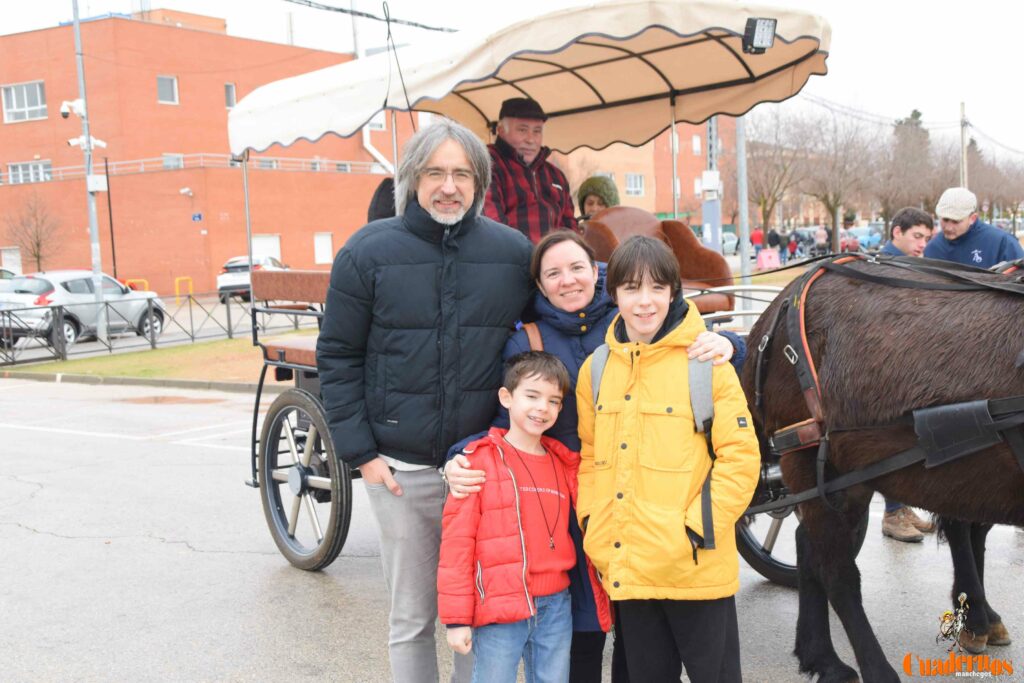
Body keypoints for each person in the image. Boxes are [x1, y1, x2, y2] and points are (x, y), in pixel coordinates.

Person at [443, 230, 743, 683]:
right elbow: (505, 417)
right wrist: (459, 457)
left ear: (597, 277)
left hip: (686, 551)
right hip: (606, 536)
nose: (644, 301)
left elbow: (739, 455)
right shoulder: (581, 361)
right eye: (553, 273)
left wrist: (731, 344)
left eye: (577, 267)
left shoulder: (694, 356)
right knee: (585, 644)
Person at [316, 118, 533, 683]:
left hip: (481, 467)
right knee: (413, 618)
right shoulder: (367, 252)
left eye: (462, 173)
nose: (449, 186)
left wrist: (698, 332)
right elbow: (338, 355)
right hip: (400, 469)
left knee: (479, 611)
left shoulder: (511, 254)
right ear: (411, 178)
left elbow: (570, 308)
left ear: (479, 182)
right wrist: (363, 454)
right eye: (435, 172)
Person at [575, 236, 760, 682]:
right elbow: (591, 457)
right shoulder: (596, 370)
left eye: (657, 288)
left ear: (673, 293)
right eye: (632, 289)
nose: (645, 302)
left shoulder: (706, 361)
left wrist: (700, 528)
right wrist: (592, 523)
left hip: (694, 566)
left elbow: (741, 457)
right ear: (613, 293)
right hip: (630, 567)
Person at [439, 352, 607, 683]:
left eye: (553, 400)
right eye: (531, 396)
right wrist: (456, 619)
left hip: (557, 605)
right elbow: (457, 546)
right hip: (502, 607)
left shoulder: (565, 465)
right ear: (506, 398)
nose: (542, 407)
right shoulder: (478, 462)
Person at [877, 207, 939, 542]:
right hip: (886, 370)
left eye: (927, 239)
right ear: (896, 232)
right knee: (893, 440)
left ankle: (900, 506)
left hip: (905, 365)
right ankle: (891, 514)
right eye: (917, 236)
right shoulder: (882, 267)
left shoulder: (905, 264)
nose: (922, 245)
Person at [484, 97, 577, 242]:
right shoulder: (488, 165)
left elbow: (570, 226)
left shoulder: (556, 175)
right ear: (501, 131)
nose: (531, 139)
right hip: (508, 258)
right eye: (522, 130)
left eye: (537, 131)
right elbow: (492, 226)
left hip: (553, 259)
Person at [924, 187, 1024, 267]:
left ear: (972, 218)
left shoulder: (1003, 244)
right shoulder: (933, 248)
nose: (949, 227)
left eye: (956, 221)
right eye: (945, 220)